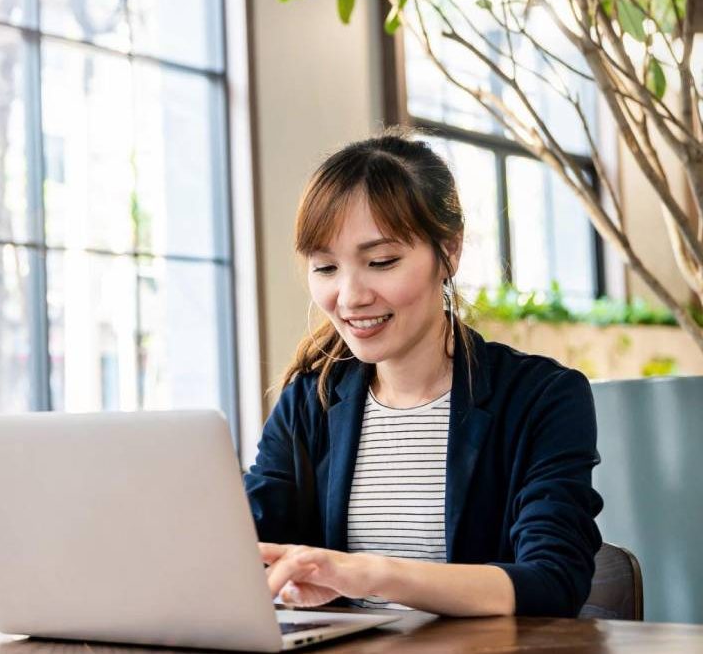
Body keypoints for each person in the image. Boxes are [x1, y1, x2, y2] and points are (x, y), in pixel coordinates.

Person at [245, 131, 603, 618]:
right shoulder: (312, 401)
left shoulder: (541, 397)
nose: (349, 297)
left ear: (449, 252)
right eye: (325, 267)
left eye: (381, 262)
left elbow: (552, 579)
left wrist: (367, 573)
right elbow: (244, 542)